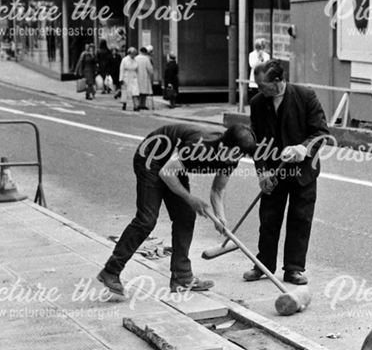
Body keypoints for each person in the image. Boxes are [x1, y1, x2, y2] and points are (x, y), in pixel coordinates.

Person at [97, 123, 257, 296]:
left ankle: (182, 277)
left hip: (173, 164)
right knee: (146, 220)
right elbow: (166, 173)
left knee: (185, 216)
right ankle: (111, 271)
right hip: (152, 158)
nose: (235, 159)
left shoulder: (231, 160)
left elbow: (217, 190)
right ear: (224, 145)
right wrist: (191, 199)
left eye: (240, 156)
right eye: (234, 154)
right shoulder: (199, 147)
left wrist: (220, 218)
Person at [246, 58, 328, 286]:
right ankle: (263, 265)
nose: (259, 89)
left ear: (279, 81)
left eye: (263, 85)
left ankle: (293, 268)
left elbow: (321, 133)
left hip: (303, 172)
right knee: (269, 218)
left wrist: (304, 147)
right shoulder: (257, 103)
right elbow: (257, 143)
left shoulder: (305, 96)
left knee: (300, 219)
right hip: (274, 172)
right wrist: (262, 173)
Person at [247, 38, 270, 103]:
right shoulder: (252, 54)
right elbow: (252, 65)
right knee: (255, 96)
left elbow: (266, 65)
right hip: (254, 77)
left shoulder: (266, 55)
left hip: (263, 77)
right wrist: (258, 59)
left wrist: (262, 59)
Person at [119, 47, 140, 111]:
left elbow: (137, 70)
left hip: (133, 77)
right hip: (126, 77)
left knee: (135, 91)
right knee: (125, 92)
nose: (133, 55)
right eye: (133, 54)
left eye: (135, 54)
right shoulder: (125, 60)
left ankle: (136, 105)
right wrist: (121, 79)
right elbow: (121, 69)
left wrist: (138, 78)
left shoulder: (136, 60)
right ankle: (124, 104)